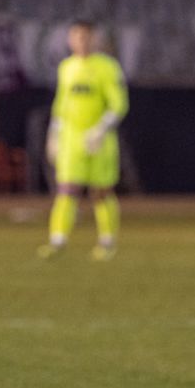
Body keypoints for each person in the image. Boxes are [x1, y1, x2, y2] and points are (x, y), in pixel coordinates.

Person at [39, 20, 129, 261]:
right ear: (70, 40)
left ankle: (107, 242)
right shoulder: (66, 67)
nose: (81, 41)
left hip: (99, 139)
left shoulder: (107, 67)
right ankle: (58, 241)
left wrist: (101, 129)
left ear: (94, 39)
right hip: (71, 139)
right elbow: (61, 104)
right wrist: (54, 134)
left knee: (101, 192)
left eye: (85, 37)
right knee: (66, 189)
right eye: (77, 37)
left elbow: (119, 104)